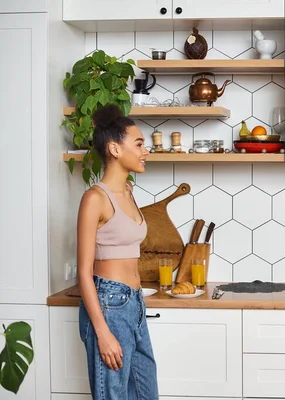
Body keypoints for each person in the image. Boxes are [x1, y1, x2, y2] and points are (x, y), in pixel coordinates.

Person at [77, 104, 158, 399]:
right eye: (138, 144)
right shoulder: (94, 199)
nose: (145, 151)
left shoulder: (129, 192)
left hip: (134, 303)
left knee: (146, 393)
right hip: (108, 305)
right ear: (114, 148)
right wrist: (102, 332)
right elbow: (84, 272)